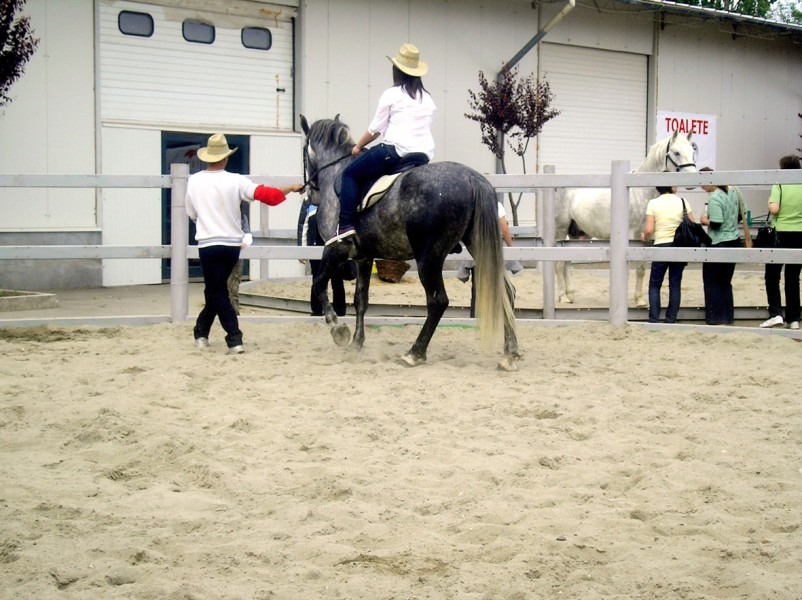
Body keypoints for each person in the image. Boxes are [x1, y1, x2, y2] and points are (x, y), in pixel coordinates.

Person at [186, 133, 303, 353]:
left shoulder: (194, 181)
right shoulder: (236, 180)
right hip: (232, 245)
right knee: (216, 291)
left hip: (208, 244)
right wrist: (291, 187)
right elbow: (269, 196)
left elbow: (191, 213)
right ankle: (201, 331)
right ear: (226, 157)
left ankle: (234, 337)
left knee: (216, 291)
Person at [326, 43, 436, 246]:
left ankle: (345, 226)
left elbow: (375, 130)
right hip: (422, 156)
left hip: (395, 152)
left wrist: (358, 147)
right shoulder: (427, 98)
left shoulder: (392, 94)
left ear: (397, 70)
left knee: (350, 174)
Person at [457, 201, 523, 317]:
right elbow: (505, 229)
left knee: (477, 290)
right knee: (505, 289)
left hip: (474, 251)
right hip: (492, 253)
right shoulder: (495, 204)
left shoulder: (470, 203)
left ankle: (474, 319)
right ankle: (503, 318)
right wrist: (511, 249)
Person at [641, 185, 696, 323]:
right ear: (672, 187)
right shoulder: (683, 201)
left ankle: (654, 319)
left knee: (655, 285)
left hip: (661, 246)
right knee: (675, 284)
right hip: (679, 246)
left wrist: (644, 237)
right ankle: (671, 319)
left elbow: (649, 230)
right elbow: (692, 223)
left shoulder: (653, 203)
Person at [760, 154, 802, 329]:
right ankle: (793, 319)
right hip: (800, 233)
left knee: (772, 276)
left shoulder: (779, 184)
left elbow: (774, 209)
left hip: (781, 233)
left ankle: (776, 313)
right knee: (793, 278)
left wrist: (770, 203)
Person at [698, 167, 741, 325]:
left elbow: (716, 224)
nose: (702, 188)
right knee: (726, 282)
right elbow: (740, 215)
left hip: (718, 242)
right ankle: (729, 316)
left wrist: (704, 221)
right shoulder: (735, 190)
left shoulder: (715, 198)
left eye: (702, 184)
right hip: (734, 240)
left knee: (711, 281)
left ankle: (716, 318)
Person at [297, 197, 348, 317]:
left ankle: (340, 312)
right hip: (316, 247)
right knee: (317, 279)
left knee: (337, 280)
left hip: (335, 247)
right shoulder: (308, 200)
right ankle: (316, 311)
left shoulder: (336, 196)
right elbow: (303, 225)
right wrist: (302, 250)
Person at [227, 200, 251, 316]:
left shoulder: (241, 217)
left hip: (236, 257)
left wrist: (245, 242)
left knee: (233, 290)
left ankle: (234, 315)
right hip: (223, 256)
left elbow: (247, 234)